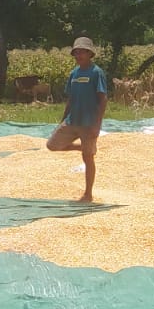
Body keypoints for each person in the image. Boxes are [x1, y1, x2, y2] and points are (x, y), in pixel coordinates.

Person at [46, 36, 108, 202]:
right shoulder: (74, 73)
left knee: (88, 159)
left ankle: (88, 194)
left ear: (89, 54)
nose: (79, 55)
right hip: (73, 120)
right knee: (52, 145)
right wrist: (62, 120)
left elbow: (102, 99)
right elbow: (71, 99)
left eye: (82, 52)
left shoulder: (96, 73)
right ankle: (81, 147)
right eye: (76, 52)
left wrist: (97, 125)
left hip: (89, 123)